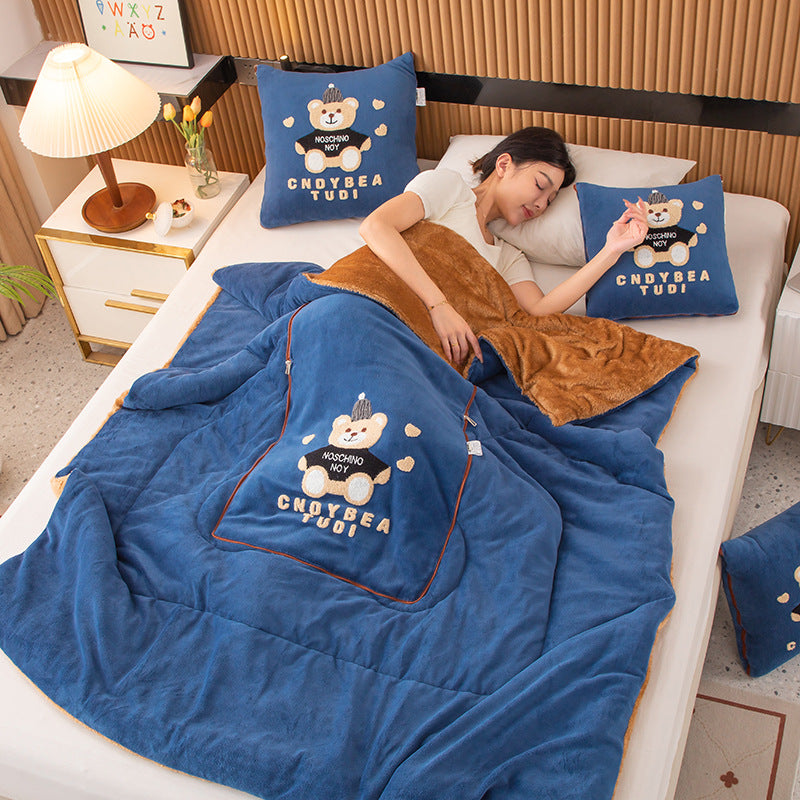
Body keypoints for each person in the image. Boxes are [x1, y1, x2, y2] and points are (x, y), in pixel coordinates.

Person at [358, 127, 649, 365]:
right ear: (504, 165)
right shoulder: (450, 188)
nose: (541, 204)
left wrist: (611, 250)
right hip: (376, 307)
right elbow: (376, 226)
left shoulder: (508, 255)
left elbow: (540, 311)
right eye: (540, 185)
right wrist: (439, 306)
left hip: (420, 347)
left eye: (550, 200)